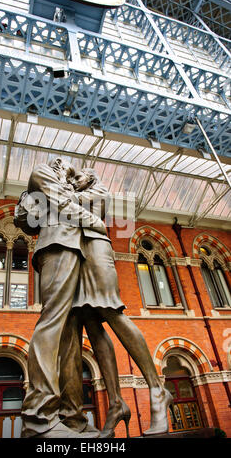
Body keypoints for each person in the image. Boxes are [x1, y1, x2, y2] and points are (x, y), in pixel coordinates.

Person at [64, 168, 173, 438]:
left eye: (78, 177)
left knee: (112, 312)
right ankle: (115, 403)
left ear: (90, 177)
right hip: (75, 256)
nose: (74, 181)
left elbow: (69, 206)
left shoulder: (98, 191)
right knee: (90, 324)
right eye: (71, 179)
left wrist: (61, 193)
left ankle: (157, 389)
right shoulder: (72, 193)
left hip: (96, 250)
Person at [20, 158, 109, 439]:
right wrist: (98, 224)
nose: (68, 174)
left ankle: (73, 419)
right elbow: (62, 204)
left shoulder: (65, 185)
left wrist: (76, 196)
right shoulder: (43, 172)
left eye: (73, 174)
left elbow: (93, 199)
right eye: (68, 171)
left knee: (71, 336)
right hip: (57, 246)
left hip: (75, 250)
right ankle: (39, 418)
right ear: (58, 165)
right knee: (52, 323)